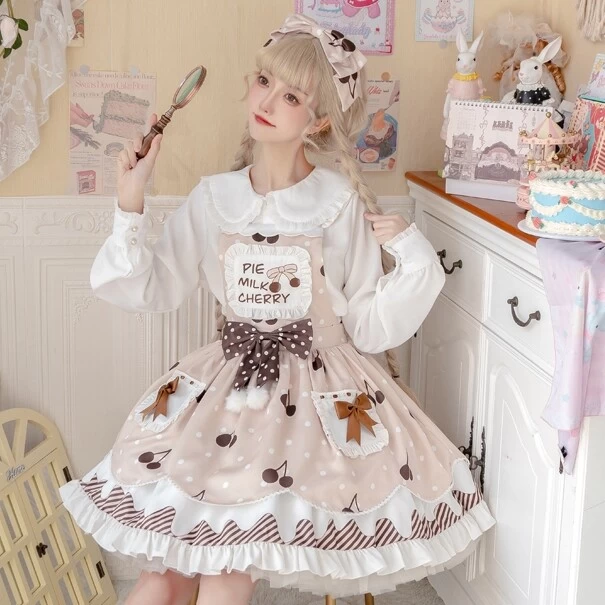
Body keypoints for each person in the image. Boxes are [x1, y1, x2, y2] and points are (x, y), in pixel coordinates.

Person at [60, 13, 495, 605]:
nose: (266, 102)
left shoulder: (337, 203)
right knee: (164, 574)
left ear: (319, 120)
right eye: (264, 82)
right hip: (225, 399)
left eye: (291, 96)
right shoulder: (214, 198)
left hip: (313, 407)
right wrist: (129, 200)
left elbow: (368, 325)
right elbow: (149, 287)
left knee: (225, 569)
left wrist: (415, 259)